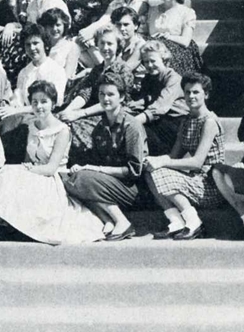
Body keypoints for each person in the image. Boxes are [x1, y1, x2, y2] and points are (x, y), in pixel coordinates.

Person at [0, 81, 104, 244]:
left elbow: (51, 168)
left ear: (53, 104)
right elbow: (28, 159)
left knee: (16, 176)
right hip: (34, 173)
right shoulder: (32, 126)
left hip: (54, 179)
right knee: (6, 173)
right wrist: (24, 169)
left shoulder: (62, 130)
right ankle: (8, 225)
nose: (39, 106)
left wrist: (26, 171)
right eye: (35, 102)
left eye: (44, 102)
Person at [63, 71, 148, 241]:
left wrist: (95, 169)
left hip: (131, 188)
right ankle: (107, 219)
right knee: (69, 178)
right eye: (101, 94)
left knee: (82, 179)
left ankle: (122, 222)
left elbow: (134, 171)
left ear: (121, 97)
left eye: (110, 94)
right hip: (108, 183)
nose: (105, 98)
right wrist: (84, 167)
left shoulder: (131, 126)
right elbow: (96, 159)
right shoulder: (101, 126)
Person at [145, 73, 225, 240]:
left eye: (196, 92)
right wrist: (155, 161)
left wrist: (162, 163)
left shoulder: (209, 122)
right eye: (187, 92)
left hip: (210, 185)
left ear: (206, 94)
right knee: (149, 170)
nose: (191, 96)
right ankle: (176, 221)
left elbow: (196, 163)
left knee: (160, 171)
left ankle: (194, 222)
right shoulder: (186, 121)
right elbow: (174, 156)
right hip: (194, 181)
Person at [59, 25, 133, 165]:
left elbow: (112, 102)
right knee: (60, 119)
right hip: (92, 112)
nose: (105, 47)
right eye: (102, 43)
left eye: (110, 43)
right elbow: (85, 93)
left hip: (111, 116)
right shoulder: (97, 69)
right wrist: (69, 110)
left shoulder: (123, 70)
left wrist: (79, 114)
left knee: (73, 127)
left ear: (118, 45)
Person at [0, 0, 69, 84]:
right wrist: (8, 27)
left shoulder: (51, 0)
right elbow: (29, 29)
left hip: (56, 42)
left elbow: (54, 30)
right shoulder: (32, 5)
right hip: (41, 41)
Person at [127, 40, 188, 156]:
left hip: (176, 124)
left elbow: (159, 107)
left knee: (137, 130)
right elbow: (143, 100)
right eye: (146, 62)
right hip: (159, 120)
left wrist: (132, 122)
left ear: (163, 60)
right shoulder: (149, 78)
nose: (149, 65)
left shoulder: (174, 79)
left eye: (153, 61)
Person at [0, 24, 67, 119]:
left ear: (45, 44)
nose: (32, 48)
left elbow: (54, 103)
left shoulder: (56, 70)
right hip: (24, 117)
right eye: (28, 45)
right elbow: (18, 101)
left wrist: (18, 110)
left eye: (35, 43)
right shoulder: (24, 73)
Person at [144, 0, 204, 77]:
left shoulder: (187, 13)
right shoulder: (152, 10)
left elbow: (186, 41)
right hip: (152, 52)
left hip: (176, 51)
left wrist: (168, 37)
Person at [39, 8, 81, 81]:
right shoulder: (42, 44)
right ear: (45, 27)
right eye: (50, 26)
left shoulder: (71, 46)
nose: (54, 29)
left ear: (64, 25)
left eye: (58, 25)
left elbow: (67, 76)